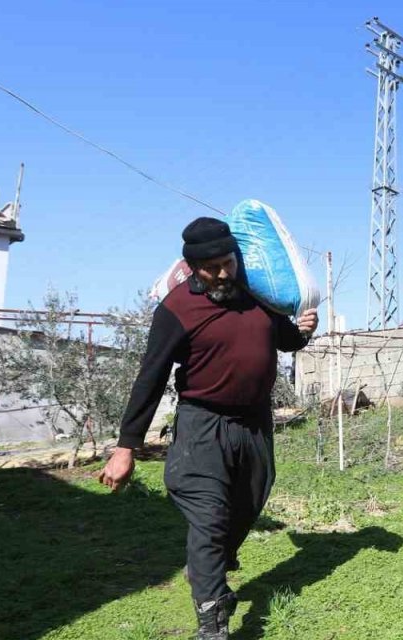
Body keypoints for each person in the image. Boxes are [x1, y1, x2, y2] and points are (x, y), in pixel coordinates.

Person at [98, 217, 318, 640]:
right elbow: (151, 377)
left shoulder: (257, 296)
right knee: (209, 519)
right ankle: (212, 623)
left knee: (249, 502)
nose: (223, 273)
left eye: (228, 263)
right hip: (203, 424)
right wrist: (127, 446)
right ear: (192, 266)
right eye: (212, 267)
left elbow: (282, 340)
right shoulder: (177, 310)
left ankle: (210, 565)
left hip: (254, 424)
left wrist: (302, 334)